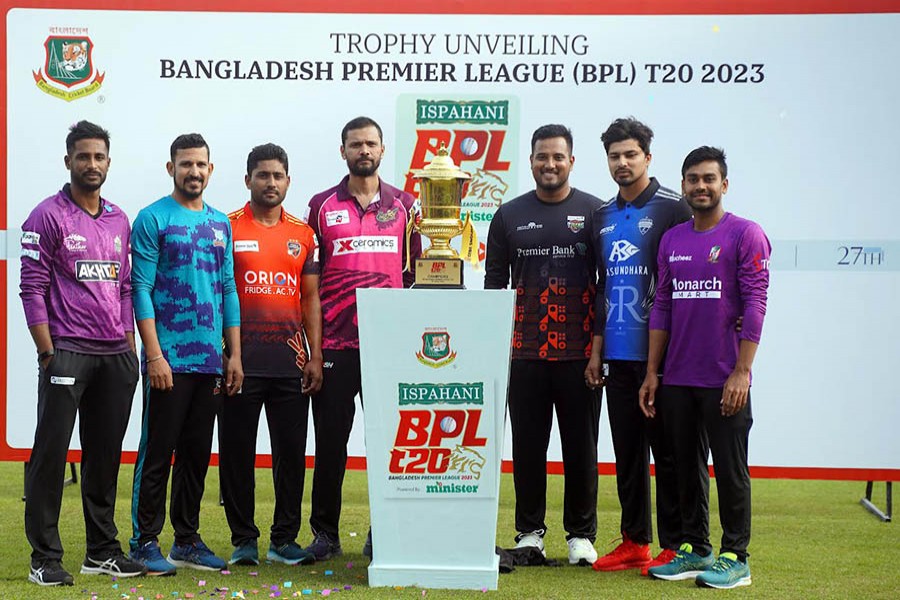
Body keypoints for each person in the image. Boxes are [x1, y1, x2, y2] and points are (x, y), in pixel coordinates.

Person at [20, 121, 146, 586]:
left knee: (105, 456)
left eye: (99, 157)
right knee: (51, 455)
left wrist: (129, 346)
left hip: (115, 355)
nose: (91, 164)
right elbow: (31, 287)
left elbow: (125, 286)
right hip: (67, 352)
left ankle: (102, 551)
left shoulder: (118, 219)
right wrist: (47, 352)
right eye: (83, 156)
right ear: (68, 160)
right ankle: (44, 558)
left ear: (108, 162)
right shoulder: (46, 215)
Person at [641, 147, 770, 589]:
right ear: (683, 185)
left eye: (709, 179)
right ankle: (695, 548)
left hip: (724, 377)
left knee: (730, 469)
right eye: (693, 179)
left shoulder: (746, 234)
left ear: (724, 185)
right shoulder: (672, 239)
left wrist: (742, 372)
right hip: (677, 376)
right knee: (684, 467)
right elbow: (662, 306)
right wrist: (653, 372)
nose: (701, 186)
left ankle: (736, 557)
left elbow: (756, 304)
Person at [484, 124, 603, 566]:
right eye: (541, 157)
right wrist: (495, 351)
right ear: (531, 161)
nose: (549, 164)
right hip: (525, 353)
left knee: (581, 449)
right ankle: (530, 533)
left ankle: (581, 536)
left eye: (557, 157)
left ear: (571, 161)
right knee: (528, 449)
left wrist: (597, 350)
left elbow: (606, 286)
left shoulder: (595, 212)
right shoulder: (508, 215)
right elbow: (494, 286)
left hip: (580, 355)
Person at [304, 116, 421, 560]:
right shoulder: (320, 206)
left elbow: (417, 277)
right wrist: (315, 352)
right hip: (335, 345)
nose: (364, 151)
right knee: (330, 443)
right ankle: (325, 534)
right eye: (356, 144)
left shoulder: (406, 205)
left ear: (382, 149)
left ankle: (384, 530)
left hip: (388, 348)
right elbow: (311, 285)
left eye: (371, 143)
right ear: (343, 151)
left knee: (389, 445)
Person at [129, 133, 243, 575]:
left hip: (210, 362)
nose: (193, 172)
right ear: (171, 168)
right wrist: (154, 355)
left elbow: (227, 288)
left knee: (196, 455)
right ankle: (143, 542)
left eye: (200, 165)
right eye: (185, 164)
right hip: (169, 361)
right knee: (158, 452)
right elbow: (140, 288)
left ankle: (187, 541)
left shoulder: (220, 223)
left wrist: (233, 355)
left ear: (210, 170)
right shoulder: (152, 218)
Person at [586, 118, 691, 574]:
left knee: (667, 454)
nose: (622, 163)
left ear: (648, 157)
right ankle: (635, 541)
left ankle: (675, 543)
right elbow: (602, 286)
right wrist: (596, 352)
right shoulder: (602, 216)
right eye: (615, 156)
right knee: (627, 454)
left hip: (662, 360)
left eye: (631, 154)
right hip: (617, 355)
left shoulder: (673, 208)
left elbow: (685, 282)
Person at [220, 143, 322, 567]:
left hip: (290, 364)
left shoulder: (304, 234)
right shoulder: (226, 227)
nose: (271, 182)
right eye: (263, 175)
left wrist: (315, 355)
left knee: (291, 456)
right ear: (248, 180)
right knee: (236, 454)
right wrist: (228, 354)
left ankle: (284, 540)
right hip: (239, 364)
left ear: (288, 181)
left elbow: (310, 298)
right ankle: (243, 539)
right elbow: (218, 293)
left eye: (278, 175)